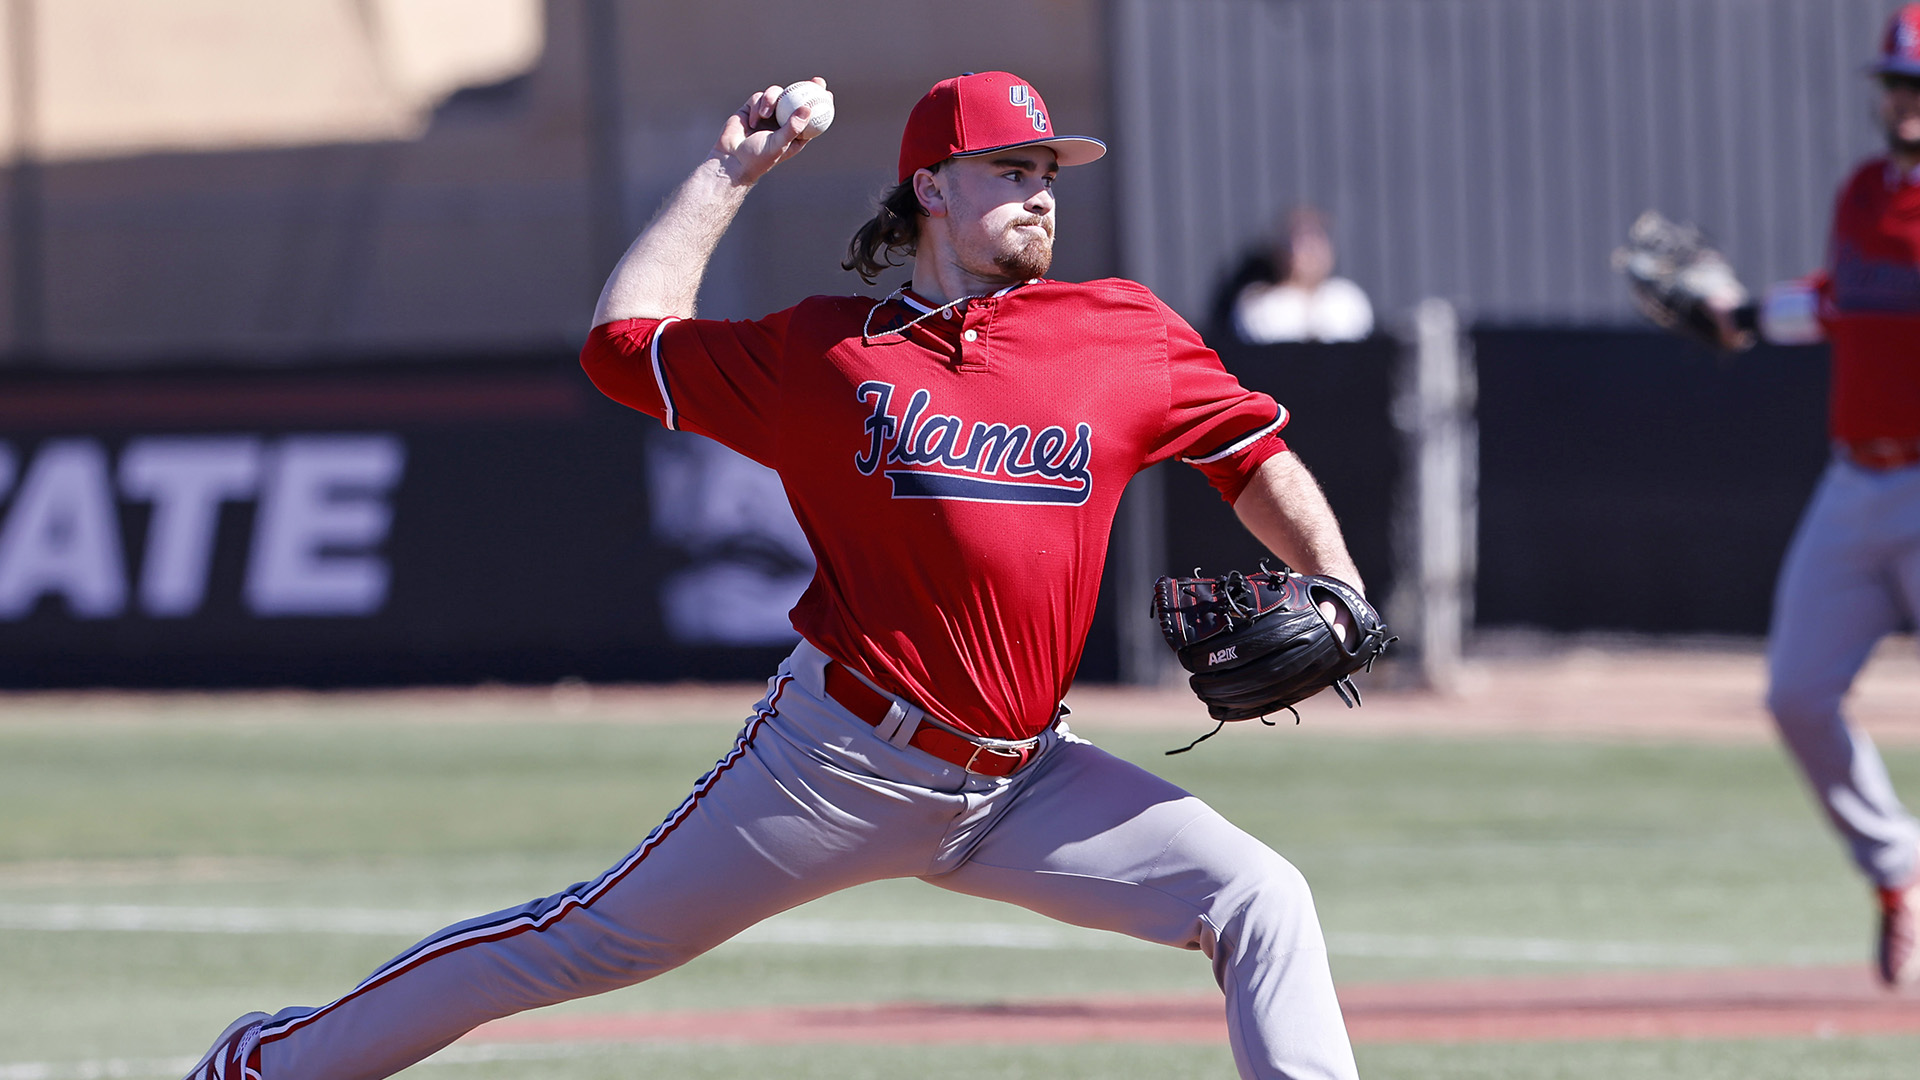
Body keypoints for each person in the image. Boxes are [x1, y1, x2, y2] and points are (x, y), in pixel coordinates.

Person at [183, 71, 1373, 1080]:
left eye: (1048, 171)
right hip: (837, 761)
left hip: (1024, 780)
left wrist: (1339, 582)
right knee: (579, 943)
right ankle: (265, 1064)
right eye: (1009, 168)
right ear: (931, 188)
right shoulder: (826, 355)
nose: (1039, 190)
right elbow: (621, 347)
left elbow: (1245, 454)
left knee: (1261, 898)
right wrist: (731, 173)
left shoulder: (1122, 330)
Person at [1701, 6, 1920, 988]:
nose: (1904, 101)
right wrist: (1745, 316)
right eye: (1897, 82)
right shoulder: (1864, 192)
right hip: (1854, 481)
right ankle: (1896, 870)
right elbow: (1840, 300)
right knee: (1795, 694)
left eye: (1918, 85)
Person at [1227, 206, 1373, 344]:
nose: (1311, 253)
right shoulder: (1258, 303)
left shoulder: (1347, 298)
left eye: (1317, 241)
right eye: (1302, 243)